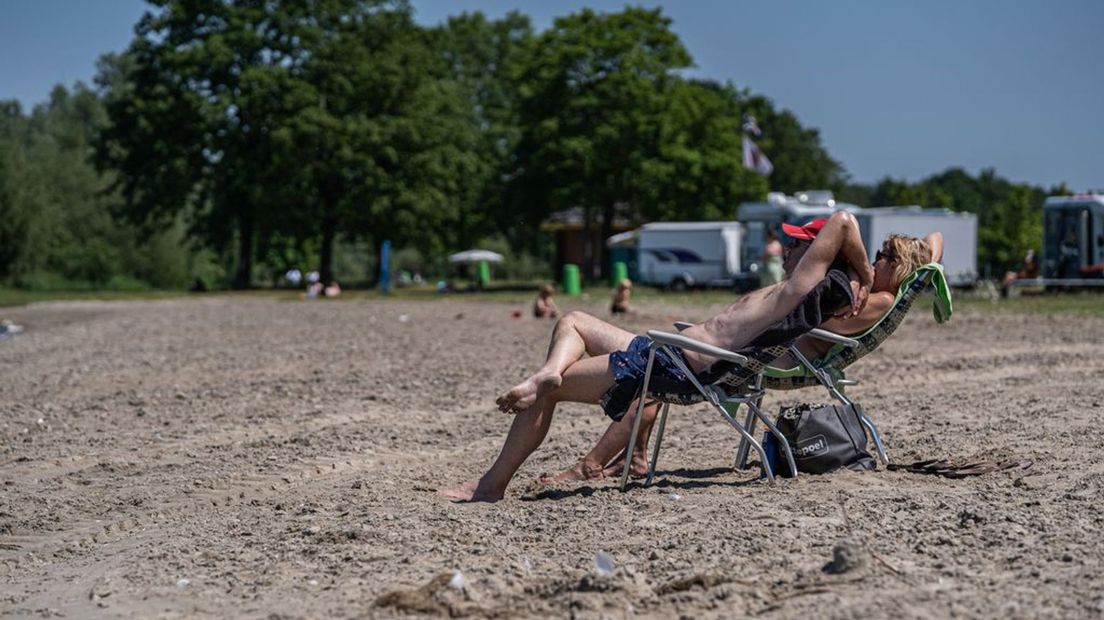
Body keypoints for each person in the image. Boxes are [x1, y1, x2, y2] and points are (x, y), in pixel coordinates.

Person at [440, 211, 876, 502]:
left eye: (799, 245)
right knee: (572, 320)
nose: (787, 250)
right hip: (668, 353)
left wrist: (864, 271)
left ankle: (492, 484)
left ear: (817, 257)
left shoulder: (792, 292)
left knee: (546, 395)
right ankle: (548, 372)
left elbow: (843, 221)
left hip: (673, 366)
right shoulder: (788, 295)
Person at [540, 222, 944, 485]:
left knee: (657, 374)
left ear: (901, 265)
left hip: (781, 361)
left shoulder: (876, 299)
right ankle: (633, 457)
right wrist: (923, 266)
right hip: (778, 354)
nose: (875, 260)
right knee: (659, 366)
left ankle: (591, 465)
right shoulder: (878, 291)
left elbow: (814, 320)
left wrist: (855, 278)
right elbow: (934, 243)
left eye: (886, 257)